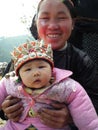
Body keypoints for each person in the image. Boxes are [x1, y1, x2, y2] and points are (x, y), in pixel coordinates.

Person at [1, 0, 98, 129]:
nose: (53, 25)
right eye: (45, 18)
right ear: (36, 23)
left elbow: (94, 102)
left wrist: (71, 117)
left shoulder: (82, 62)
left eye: (61, 18)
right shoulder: (21, 58)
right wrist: (6, 110)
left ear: (73, 23)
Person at [0, 40, 98, 130]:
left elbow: (86, 114)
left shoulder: (65, 87)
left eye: (41, 67)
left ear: (52, 70)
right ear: (19, 75)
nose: (36, 73)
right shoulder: (10, 83)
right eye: (28, 69)